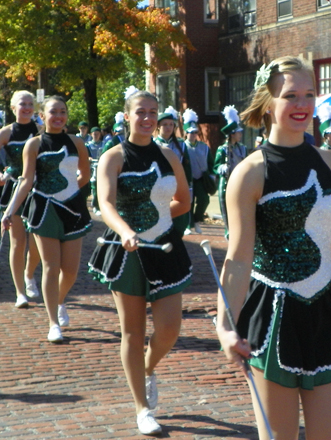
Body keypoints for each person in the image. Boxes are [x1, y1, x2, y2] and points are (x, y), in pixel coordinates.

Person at [216, 56, 331, 440]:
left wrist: (308, 264)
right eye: (291, 95)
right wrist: (225, 325)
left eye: (309, 94)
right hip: (272, 316)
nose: (302, 105)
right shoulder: (249, 172)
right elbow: (238, 258)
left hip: (327, 310)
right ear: (268, 104)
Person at [88, 88, 192, 436]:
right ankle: (142, 409)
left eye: (153, 112)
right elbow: (105, 203)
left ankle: (147, 369)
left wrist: (159, 220)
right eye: (140, 113)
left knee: (169, 329)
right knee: (132, 332)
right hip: (128, 252)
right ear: (127, 116)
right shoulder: (113, 157)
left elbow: (183, 201)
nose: (147, 119)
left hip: (164, 248)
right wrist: (126, 231)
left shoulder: (169, 155)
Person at [2, 95, 92, 343]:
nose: (59, 116)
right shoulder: (34, 144)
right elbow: (26, 181)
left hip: (73, 208)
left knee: (71, 271)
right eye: (53, 112)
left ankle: (60, 299)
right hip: (45, 210)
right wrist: (10, 210)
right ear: (42, 116)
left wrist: (71, 190)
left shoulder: (77, 142)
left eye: (63, 111)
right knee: (51, 267)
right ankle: (53, 323)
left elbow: (85, 173)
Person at [0, 91, 42, 308]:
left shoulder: (41, 130)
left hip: (40, 190)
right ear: (13, 108)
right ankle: (19, 292)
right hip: (16, 188)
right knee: (17, 242)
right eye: (22, 104)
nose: (26, 108)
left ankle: (29, 272)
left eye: (30, 104)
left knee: (37, 243)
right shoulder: (6, 132)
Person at [154, 106, 192, 237]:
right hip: (158, 187)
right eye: (165, 125)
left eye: (171, 125)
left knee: (179, 220)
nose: (168, 127)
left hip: (177, 187)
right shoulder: (151, 144)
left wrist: (189, 186)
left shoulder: (181, 145)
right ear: (158, 126)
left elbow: (187, 167)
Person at [213, 105, 248, 239]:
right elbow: (215, 166)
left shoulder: (243, 148)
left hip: (240, 181)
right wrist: (221, 167)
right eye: (238, 132)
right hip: (226, 182)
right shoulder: (222, 149)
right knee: (226, 207)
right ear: (232, 134)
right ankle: (229, 230)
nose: (241, 134)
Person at [183, 108, 214, 235]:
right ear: (185, 133)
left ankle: (197, 220)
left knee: (203, 200)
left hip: (201, 179)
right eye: (190, 132)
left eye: (195, 132)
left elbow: (211, 163)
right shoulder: (182, 146)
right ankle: (188, 225)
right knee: (188, 202)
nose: (193, 135)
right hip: (187, 179)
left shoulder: (204, 147)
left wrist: (212, 176)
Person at [86, 126, 103, 215]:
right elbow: (86, 156)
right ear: (91, 135)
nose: (96, 135)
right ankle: (93, 205)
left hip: (102, 167)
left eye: (97, 134)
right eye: (94, 134)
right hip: (92, 167)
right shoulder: (88, 145)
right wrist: (89, 158)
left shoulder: (104, 144)